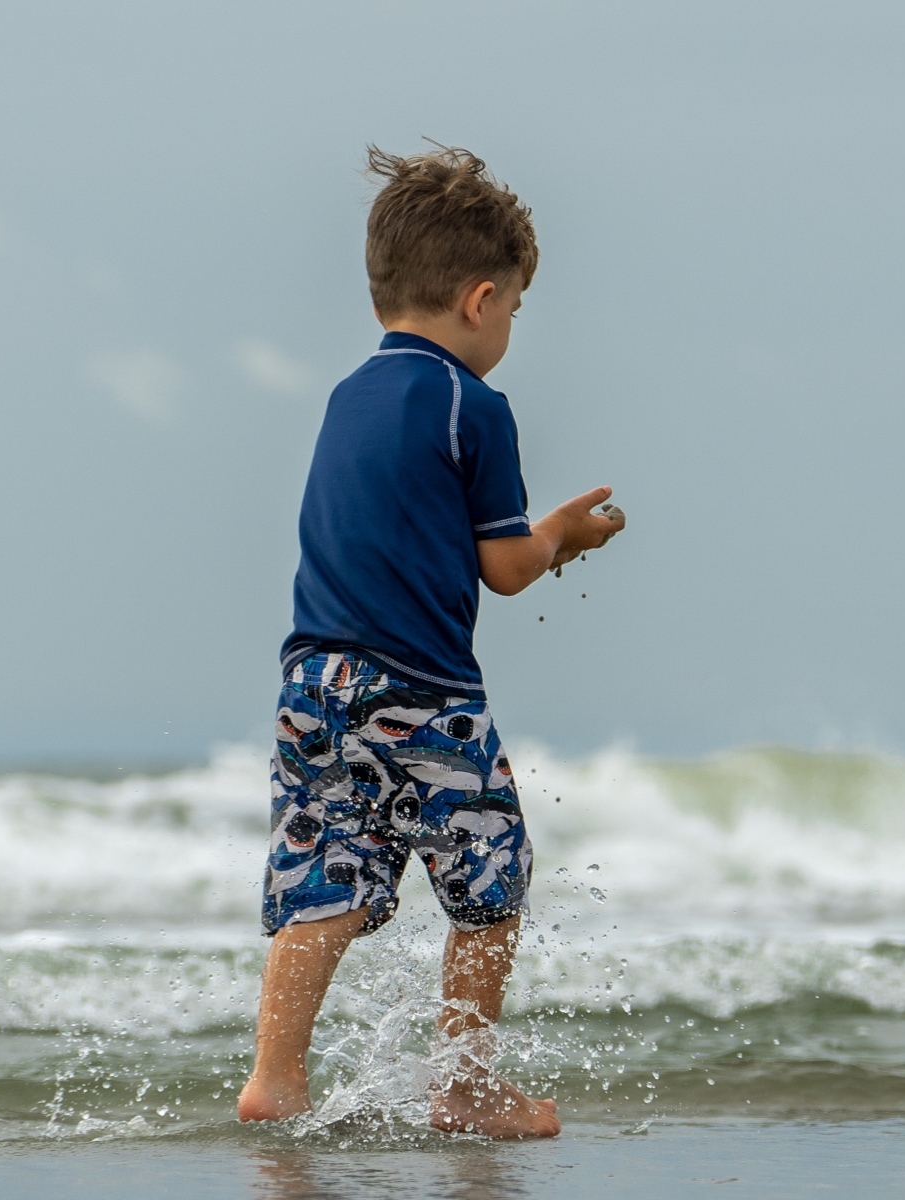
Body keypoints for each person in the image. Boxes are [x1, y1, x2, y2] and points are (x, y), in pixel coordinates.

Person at [236, 145, 625, 1139]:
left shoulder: (347, 396)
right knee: (493, 874)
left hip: (312, 676)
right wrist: (563, 536)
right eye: (515, 310)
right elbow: (506, 566)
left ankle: (275, 1078)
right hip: (419, 686)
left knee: (325, 872)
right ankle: (465, 1085)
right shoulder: (473, 407)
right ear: (480, 301)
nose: (510, 330)